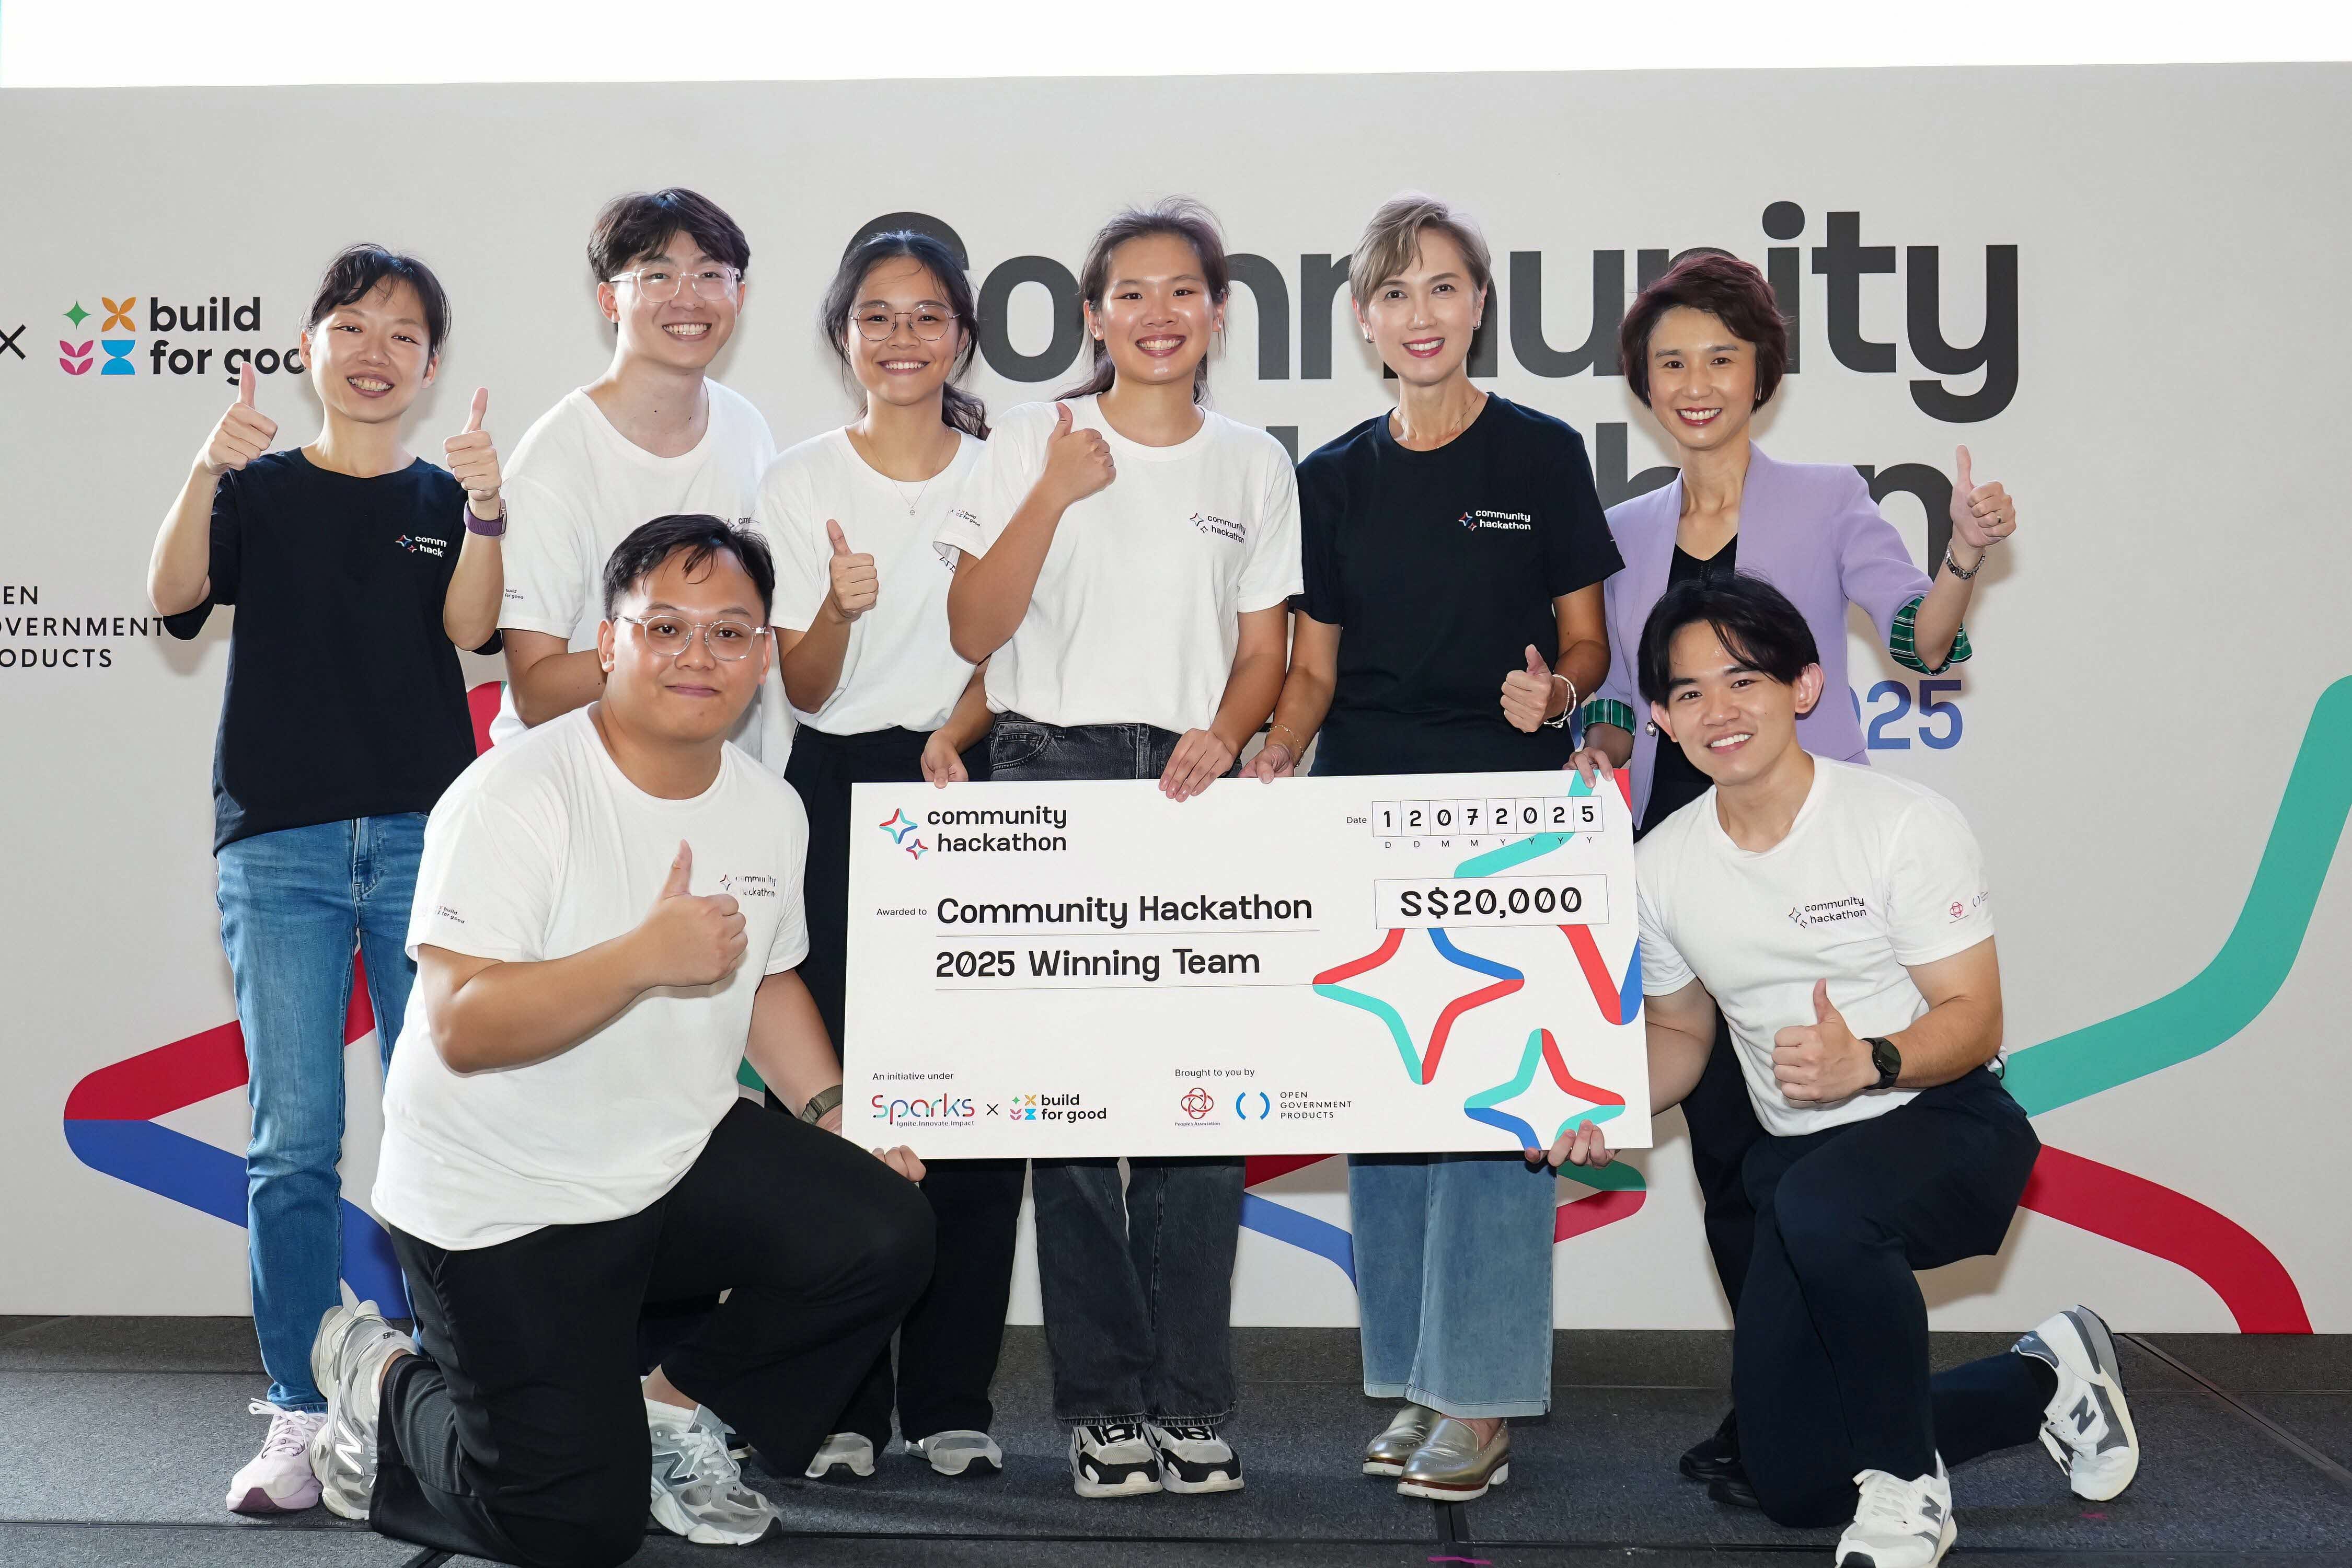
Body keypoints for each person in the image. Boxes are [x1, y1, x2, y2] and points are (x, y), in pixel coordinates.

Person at [310, 515, 935, 1567]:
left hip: (667, 1155)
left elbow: (769, 975)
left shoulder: (770, 808)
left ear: (764, 654)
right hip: (503, 1199)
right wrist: (640, 956)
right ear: (609, 643)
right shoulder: (517, 795)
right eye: (667, 627)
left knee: (883, 1231)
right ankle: (381, 1382)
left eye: (731, 632)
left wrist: (840, 1117)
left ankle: (671, 1410)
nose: (700, 656)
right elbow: (462, 1024)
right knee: (568, 1528)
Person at [1551, 572, 2138, 1568]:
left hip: (1946, 1124)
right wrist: (1598, 1106)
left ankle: (1911, 1491)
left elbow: (1977, 1017)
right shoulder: (1661, 865)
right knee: (1796, 1479)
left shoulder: (1900, 822)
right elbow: (1684, 1038)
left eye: (1744, 681)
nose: (1719, 712)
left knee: (1824, 1204)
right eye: (1689, 692)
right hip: (1802, 1167)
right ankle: (2047, 1381)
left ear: (1805, 687)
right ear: (1658, 717)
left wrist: (1871, 1060)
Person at [1566, 251, 2021, 1494]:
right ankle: (1773, 1394)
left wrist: (1964, 554)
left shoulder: (1825, 498)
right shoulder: (1620, 530)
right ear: (1640, 385)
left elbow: (1923, 644)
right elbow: (1614, 713)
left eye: (1719, 356)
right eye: (1670, 362)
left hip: (1812, 851)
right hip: (1681, 860)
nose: (1695, 382)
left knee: (1813, 1173)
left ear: (1760, 372)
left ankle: (1808, 1409)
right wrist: (1557, 716)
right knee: (1726, 1160)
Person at [1245, 194, 1619, 1502]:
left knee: (1499, 1102)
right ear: (1361, 320)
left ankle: (1481, 1393)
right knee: (1393, 1100)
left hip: (1509, 816)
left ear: (1476, 309)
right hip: (1366, 809)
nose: (1420, 314)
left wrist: (1557, 697)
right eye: (1395, 293)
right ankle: (1413, 1373)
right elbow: (1313, 668)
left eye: (1443, 289)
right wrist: (1276, 750)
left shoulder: (1538, 455)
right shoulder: (1329, 477)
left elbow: (1588, 642)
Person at [938, 198, 1298, 1500]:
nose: (1156, 315)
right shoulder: (1034, 437)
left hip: (1194, 783)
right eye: (1129, 294)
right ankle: (1100, 1407)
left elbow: (1263, 652)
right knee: (1075, 1116)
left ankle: (1192, 1398)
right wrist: (1048, 488)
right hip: (1048, 766)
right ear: (1091, 317)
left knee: (1200, 1112)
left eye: (1182, 292)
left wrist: (1221, 731)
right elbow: (975, 626)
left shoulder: (1252, 461)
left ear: (1214, 311)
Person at [146, 244, 505, 1518]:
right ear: (313, 347)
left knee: (440, 1132)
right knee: (291, 1141)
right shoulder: (256, 487)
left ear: (429, 364)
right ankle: (302, 1408)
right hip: (280, 846)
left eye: (403, 333)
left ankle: (444, 1395)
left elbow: (473, 633)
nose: (374, 350)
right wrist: (204, 467)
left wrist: (488, 513)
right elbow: (173, 597)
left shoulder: (444, 493)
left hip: (425, 842)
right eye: (351, 325)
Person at [765, 229, 1018, 1483]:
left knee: (975, 1096)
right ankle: (841, 1395)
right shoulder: (796, 476)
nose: (902, 337)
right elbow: (799, 684)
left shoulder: (1003, 469)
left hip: (965, 778)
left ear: (961, 335)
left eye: (926, 316)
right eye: (877, 316)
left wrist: (956, 736)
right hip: (833, 786)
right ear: (842, 335)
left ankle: (952, 1393)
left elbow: (1010, 655)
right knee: (835, 1102)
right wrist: (833, 607)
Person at [494, 187, 788, 767]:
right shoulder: (554, 458)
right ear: (609, 300)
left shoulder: (746, 428)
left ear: (740, 295)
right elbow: (535, 692)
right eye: (657, 275)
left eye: (710, 274)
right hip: (578, 784)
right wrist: (676, 645)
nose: (688, 298)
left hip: (718, 781)